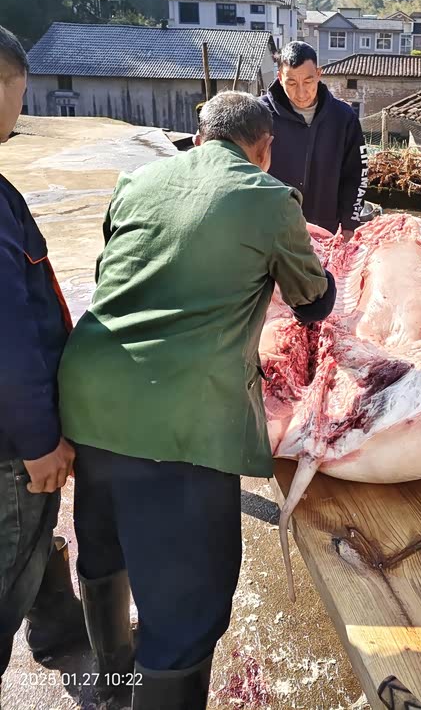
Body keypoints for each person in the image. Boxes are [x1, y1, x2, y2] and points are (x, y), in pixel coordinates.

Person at [58, 91, 336, 709]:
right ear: (265, 148)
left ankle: (113, 683)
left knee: (104, 547)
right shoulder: (270, 198)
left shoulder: (137, 181)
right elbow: (313, 301)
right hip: (181, 418)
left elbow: (116, 276)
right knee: (185, 608)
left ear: (199, 136)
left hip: (90, 397)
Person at [0, 26, 86, 689]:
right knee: (12, 559)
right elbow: (8, 332)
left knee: (33, 547)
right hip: (10, 452)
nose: (21, 109)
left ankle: (58, 634)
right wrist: (38, 442)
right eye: (18, 92)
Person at [260, 40, 367, 240]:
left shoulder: (343, 118)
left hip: (326, 231)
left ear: (318, 74)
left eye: (308, 82)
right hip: (272, 231)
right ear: (280, 78)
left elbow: (357, 174)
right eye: (291, 83)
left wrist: (350, 223)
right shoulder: (259, 115)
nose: (301, 92)